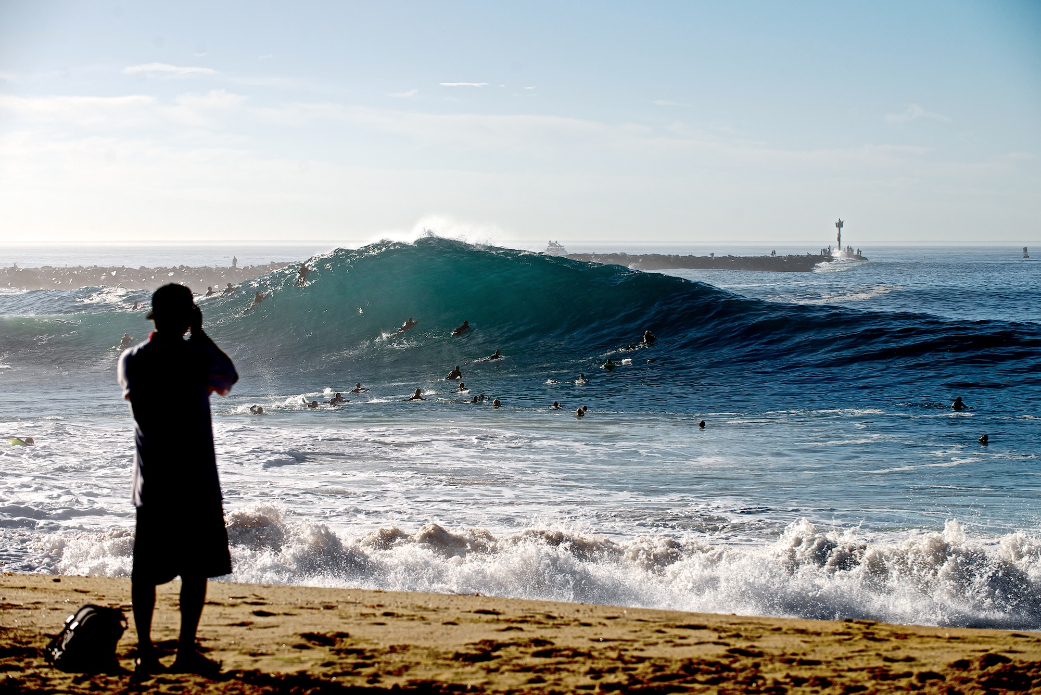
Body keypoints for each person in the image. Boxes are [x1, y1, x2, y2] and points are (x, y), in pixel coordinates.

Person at [117, 283, 238, 676]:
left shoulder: (132, 359)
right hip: (196, 481)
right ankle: (185, 650)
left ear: (154, 315)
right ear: (188, 317)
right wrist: (200, 334)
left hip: (153, 483)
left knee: (144, 574)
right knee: (195, 570)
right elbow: (228, 378)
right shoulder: (198, 355)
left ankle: (145, 652)